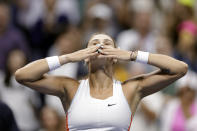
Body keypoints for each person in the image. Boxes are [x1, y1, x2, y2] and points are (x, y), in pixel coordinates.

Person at [15, 33, 188, 130]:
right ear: (86, 57)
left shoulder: (130, 89)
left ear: (114, 57)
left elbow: (180, 69)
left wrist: (132, 55)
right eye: (94, 43)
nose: (101, 46)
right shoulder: (70, 87)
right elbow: (22, 75)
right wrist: (68, 57)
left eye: (107, 43)